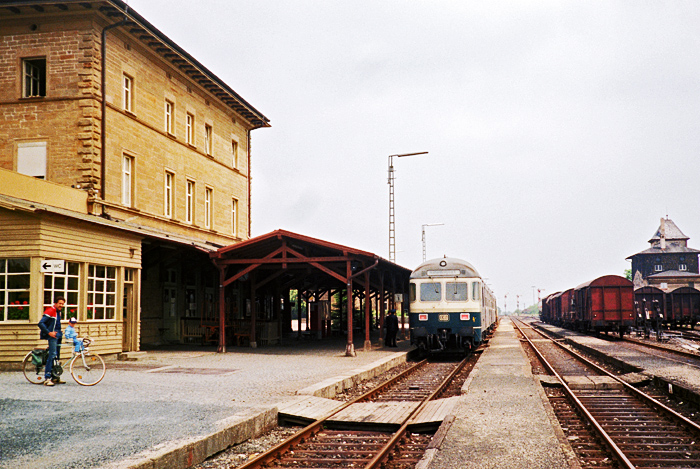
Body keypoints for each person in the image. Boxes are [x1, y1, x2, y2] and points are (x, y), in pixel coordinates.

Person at [38, 297, 65, 386]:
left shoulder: (58, 312)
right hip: (52, 336)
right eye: (60, 303)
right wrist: (49, 332)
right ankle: (47, 378)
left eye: (62, 303)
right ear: (55, 303)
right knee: (52, 355)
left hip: (58, 335)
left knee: (57, 356)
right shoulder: (50, 311)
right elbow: (41, 323)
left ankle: (55, 377)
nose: (61, 305)